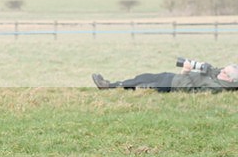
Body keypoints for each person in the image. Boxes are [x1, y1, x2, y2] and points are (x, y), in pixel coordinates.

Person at [92, 59, 238, 92]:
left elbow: (189, 90)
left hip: (172, 85)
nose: (221, 72)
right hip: (170, 77)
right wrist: (207, 67)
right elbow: (215, 71)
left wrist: (186, 72)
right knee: (141, 77)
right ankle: (110, 85)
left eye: (224, 72)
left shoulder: (216, 88)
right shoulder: (221, 77)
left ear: (231, 80)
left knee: (141, 86)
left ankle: (110, 88)